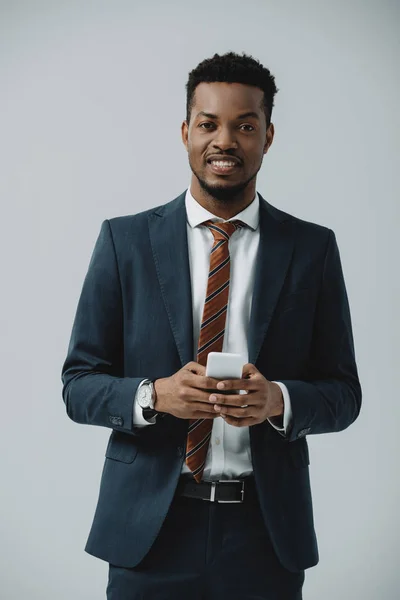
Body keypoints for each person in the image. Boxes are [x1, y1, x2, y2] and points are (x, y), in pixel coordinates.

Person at [61, 51, 362, 600]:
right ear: (185, 132)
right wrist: (155, 397)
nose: (225, 140)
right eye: (208, 124)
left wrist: (277, 402)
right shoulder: (124, 242)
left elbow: (344, 394)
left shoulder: (312, 248)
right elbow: (78, 384)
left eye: (245, 125)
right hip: (148, 532)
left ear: (268, 137)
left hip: (265, 535)